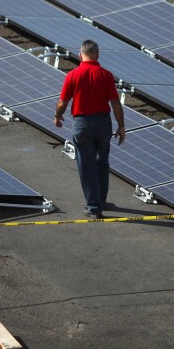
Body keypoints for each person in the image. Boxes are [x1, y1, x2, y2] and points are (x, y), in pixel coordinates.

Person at [55, 40, 125, 218]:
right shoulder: (106, 75)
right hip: (103, 123)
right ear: (97, 54)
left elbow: (63, 102)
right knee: (102, 161)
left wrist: (58, 116)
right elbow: (115, 104)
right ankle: (101, 200)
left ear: (80, 55)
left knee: (86, 165)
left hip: (82, 124)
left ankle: (94, 208)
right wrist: (121, 126)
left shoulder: (72, 75)